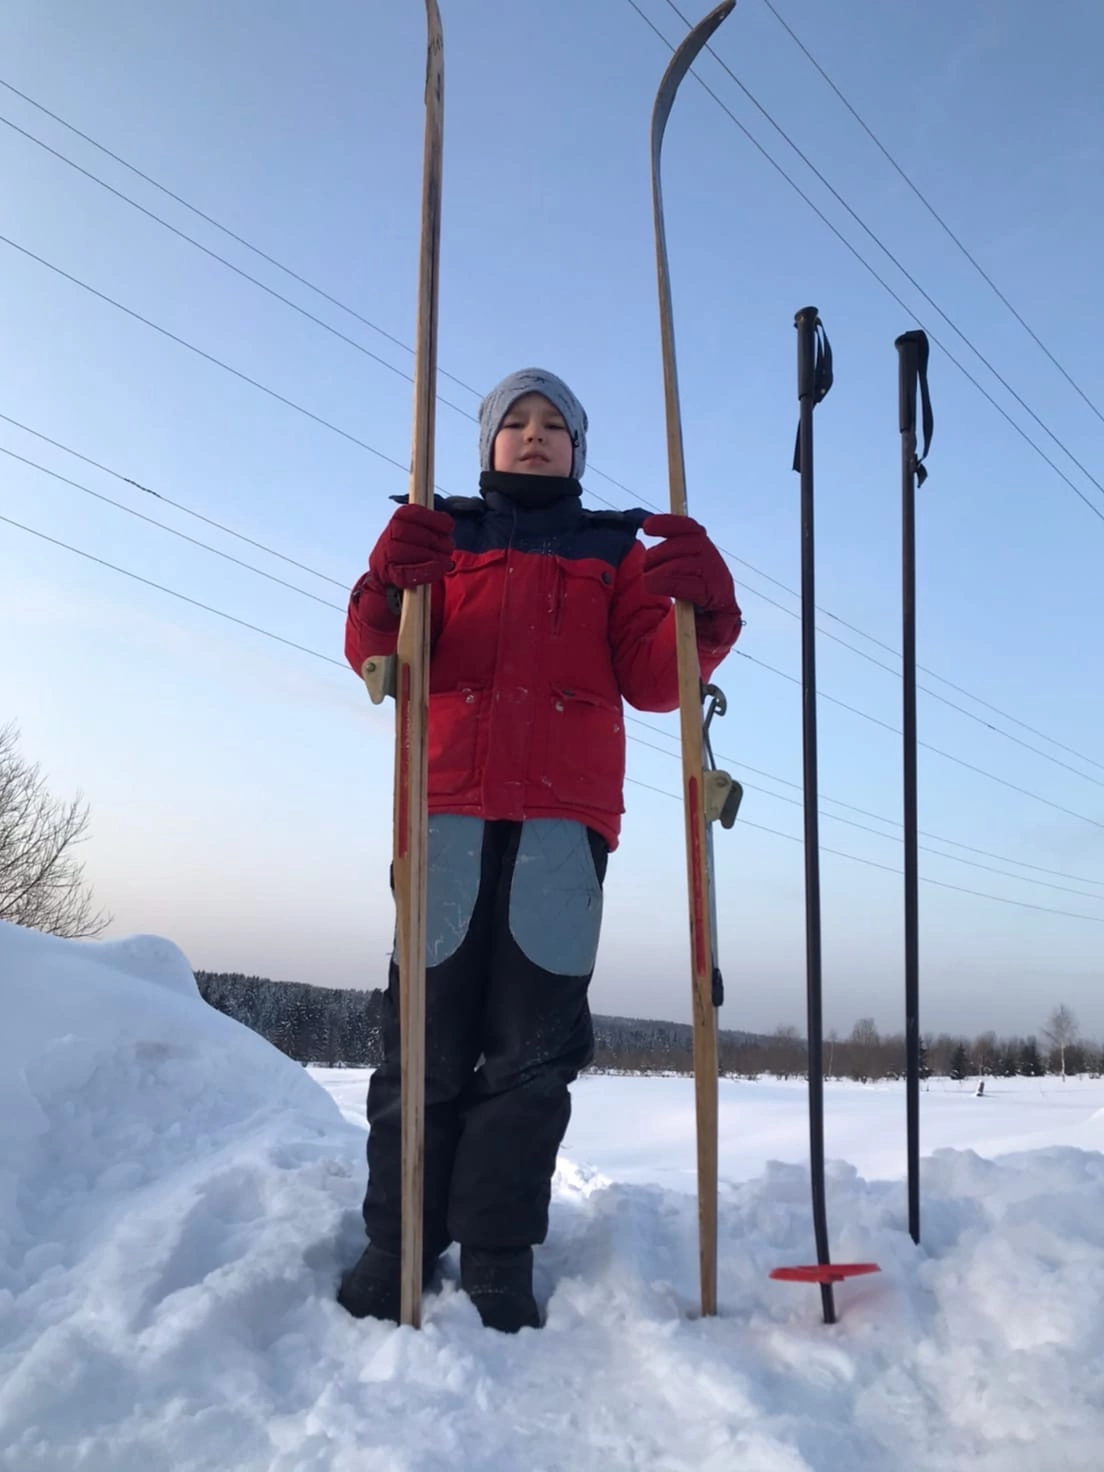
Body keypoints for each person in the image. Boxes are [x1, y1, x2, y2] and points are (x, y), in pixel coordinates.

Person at [338, 367, 742, 1332]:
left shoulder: (617, 552)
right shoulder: (437, 536)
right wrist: (389, 580)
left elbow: (656, 680)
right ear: (486, 445)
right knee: (421, 1048)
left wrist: (705, 611)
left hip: (563, 828)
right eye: (513, 421)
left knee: (529, 1057)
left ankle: (496, 1253)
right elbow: (375, 652)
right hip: (445, 815)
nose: (533, 434)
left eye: (554, 424)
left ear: (577, 450)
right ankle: (399, 1240)